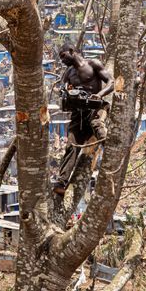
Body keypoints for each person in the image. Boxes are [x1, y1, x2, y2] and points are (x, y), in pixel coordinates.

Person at [54, 44, 113, 195]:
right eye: (60, 57)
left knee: (97, 124)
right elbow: (62, 90)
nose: (62, 60)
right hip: (78, 115)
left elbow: (111, 82)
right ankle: (62, 182)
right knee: (71, 146)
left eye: (63, 55)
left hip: (96, 108)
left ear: (72, 52)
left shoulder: (93, 64)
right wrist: (66, 93)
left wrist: (99, 95)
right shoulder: (68, 73)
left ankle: (112, 154)